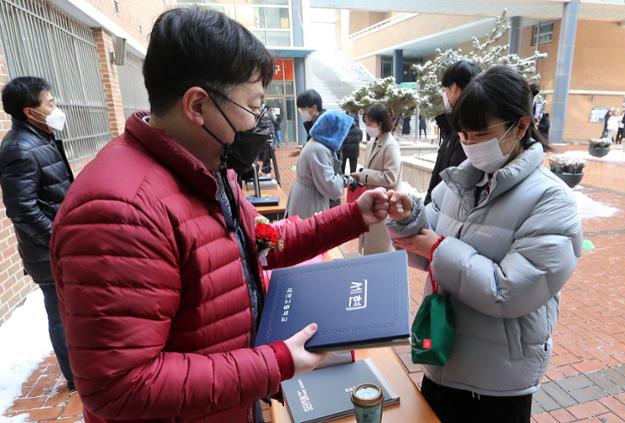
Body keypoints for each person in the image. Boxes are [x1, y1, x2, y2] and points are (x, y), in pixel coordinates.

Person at [49, 8, 390, 422]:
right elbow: (121, 386)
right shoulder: (119, 212)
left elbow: (263, 242)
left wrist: (354, 216)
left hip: (231, 400)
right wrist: (274, 363)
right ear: (198, 105)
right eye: (252, 105)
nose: (259, 122)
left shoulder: (206, 170)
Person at [386, 66, 582, 423]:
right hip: (443, 360)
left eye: (481, 133)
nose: (470, 144)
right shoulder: (459, 184)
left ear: (521, 126)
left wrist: (436, 247)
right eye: (463, 134)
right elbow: (424, 238)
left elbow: (510, 290)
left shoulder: (552, 201)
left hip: (496, 385)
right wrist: (406, 219)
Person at [0, 77, 75, 391]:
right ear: (31, 112)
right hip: (47, 252)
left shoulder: (40, 137)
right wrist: (57, 240)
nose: (56, 107)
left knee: (69, 311)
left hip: (55, 247)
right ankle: (76, 378)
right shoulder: (20, 149)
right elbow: (22, 210)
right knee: (60, 314)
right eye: (51, 103)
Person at [425, 60, 481, 204]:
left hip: (444, 214)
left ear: (455, 88)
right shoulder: (454, 127)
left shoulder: (464, 132)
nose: (444, 95)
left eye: (445, 90)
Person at [351, 103, 401, 255]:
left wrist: (364, 175)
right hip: (372, 200)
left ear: (381, 123)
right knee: (370, 244)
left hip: (384, 203)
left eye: (370, 123)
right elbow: (372, 168)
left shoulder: (390, 145)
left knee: (381, 248)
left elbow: (390, 177)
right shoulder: (372, 142)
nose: (368, 127)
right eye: (366, 123)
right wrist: (362, 174)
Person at [285, 110, 353, 219]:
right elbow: (331, 187)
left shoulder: (316, 144)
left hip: (306, 196)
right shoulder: (319, 149)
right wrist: (345, 180)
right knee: (309, 232)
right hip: (310, 201)